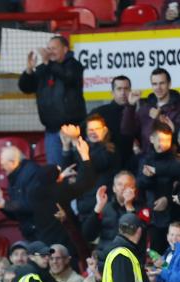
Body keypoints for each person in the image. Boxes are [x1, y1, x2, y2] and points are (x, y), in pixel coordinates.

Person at [18, 35, 86, 166]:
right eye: (48, 48)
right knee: (56, 172)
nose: (49, 52)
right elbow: (26, 88)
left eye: (54, 48)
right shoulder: (44, 68)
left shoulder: (74, 65)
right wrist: (29, 70)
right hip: (52, 130)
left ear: (65, 49)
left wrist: (49, 63)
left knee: (77, 168)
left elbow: (68, 77)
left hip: (73, 131)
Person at [61, 116, 118, 222]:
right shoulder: (85, 148)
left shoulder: (109, 150)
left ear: (105, 130)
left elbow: (89, 168)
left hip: (99, 204)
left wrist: (75, 140)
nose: (93, 132)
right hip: (82, 202)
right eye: (90, 129)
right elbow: (69, 168)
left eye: (97, 129)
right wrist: (66, 146)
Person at [82, 171, 143, 263]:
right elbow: (88, 235)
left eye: (127, 185)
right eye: (119, 184)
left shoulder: (141, 209)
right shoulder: (105, 207)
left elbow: (138, 237)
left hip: (129, 259)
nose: (123, 188)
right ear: (114, 188)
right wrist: (98, 207)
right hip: (104, 258)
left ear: (134, 189)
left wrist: (129, 206)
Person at [138, 121, 180, 253]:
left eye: (167, 140)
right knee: (156, 255)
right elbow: (140, 185)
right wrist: (147, 176)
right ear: (151, 139)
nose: (163, 144)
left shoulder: (175, 160)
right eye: (160, 139)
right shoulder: (145, 160)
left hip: (174, 216)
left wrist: (167, 199)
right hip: (153, 218)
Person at [0, 146, 40, 241]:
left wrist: (4, 204)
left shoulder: (32, 173)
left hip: (39, 232)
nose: (1, 168)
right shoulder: (15, 176)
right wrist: (1, 204)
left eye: (3, 164)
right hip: (30, 231)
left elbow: (32, 205)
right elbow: (16, 215)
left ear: (13, 162)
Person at [122, 67, 180, 154]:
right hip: (147, 162)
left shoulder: (178, 108)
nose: (158, 87)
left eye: (162, 83)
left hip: (171, 162)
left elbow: (175, 139)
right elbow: (127, 131)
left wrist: (159, 118)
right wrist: (130, 106)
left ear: (169, 84)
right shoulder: (145, 108)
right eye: (155, 84)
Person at [89, 76, 134, 171]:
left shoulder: (137, 111)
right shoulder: (100, 112)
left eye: (126, 89)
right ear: (112, 92)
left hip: (130, 163)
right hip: (106, 164)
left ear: (130, 91)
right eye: (119, 89)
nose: (123, 93)